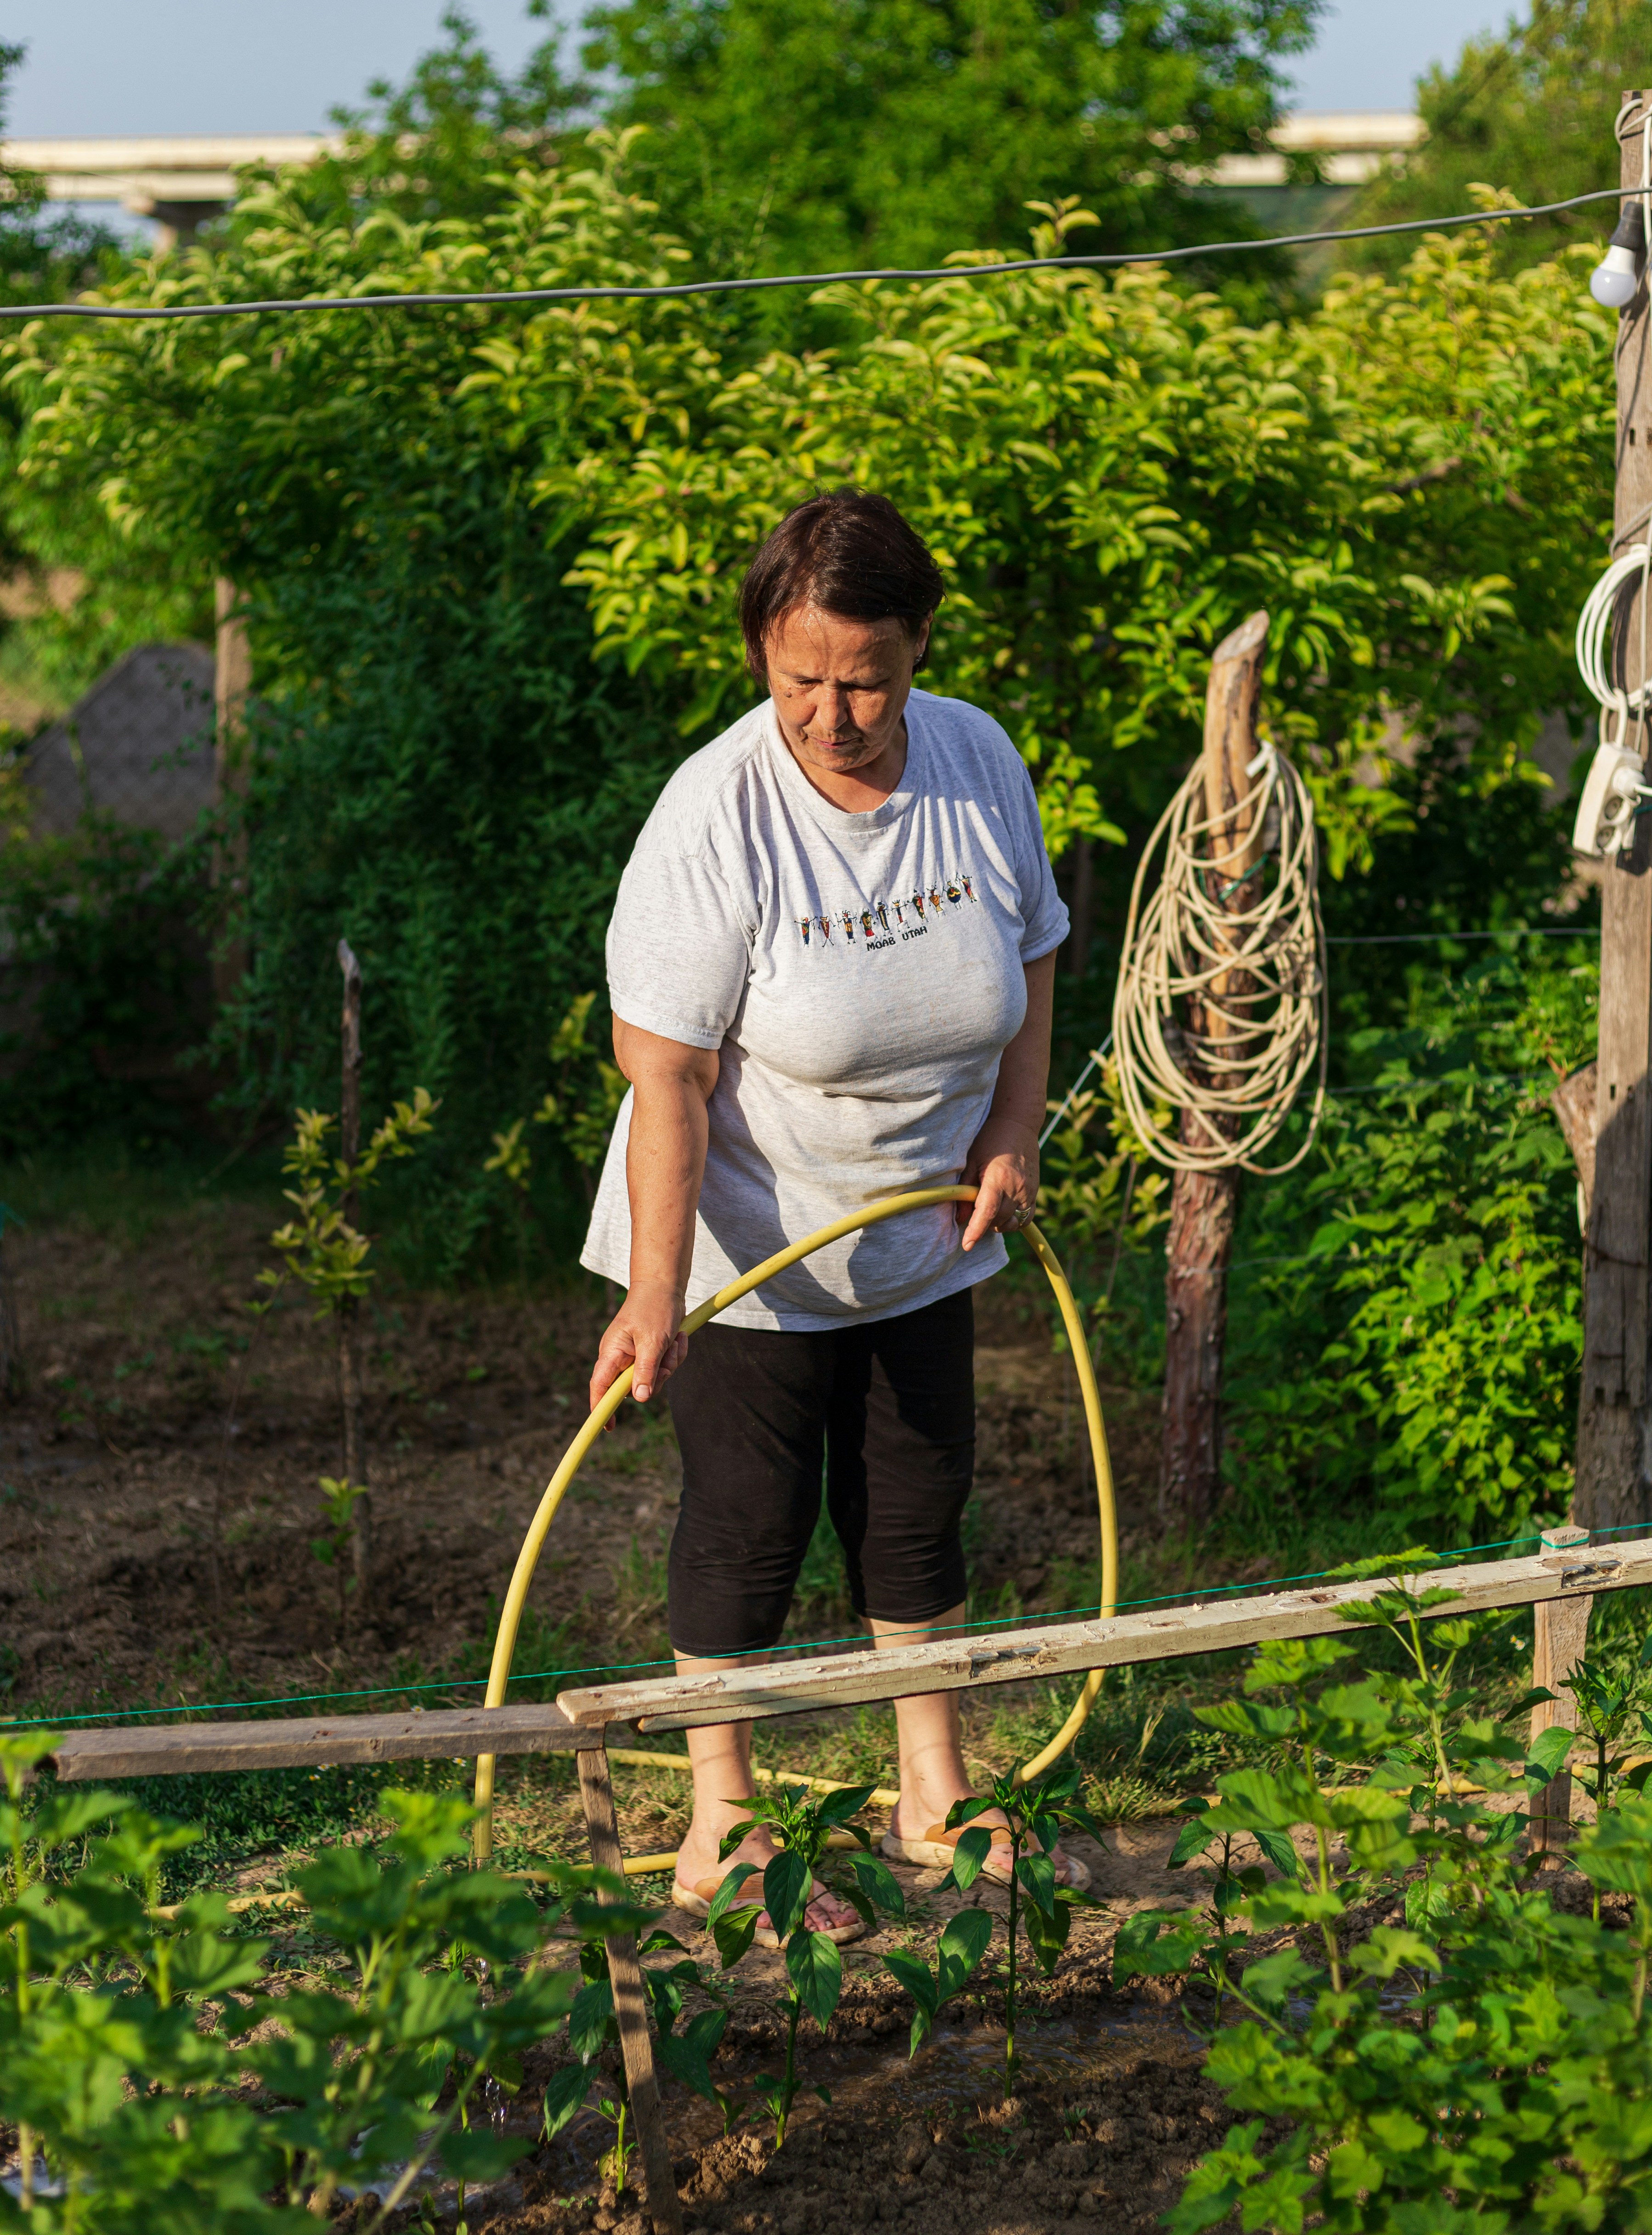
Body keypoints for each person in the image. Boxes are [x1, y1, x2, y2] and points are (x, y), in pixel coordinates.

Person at [582, 488, 1080, 1944]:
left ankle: (935, 1791)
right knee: (748, 1516)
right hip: (746, 1236)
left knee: (919, 1499)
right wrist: (661, 1288)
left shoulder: (978, 760)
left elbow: (1035, 957)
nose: (835, 713)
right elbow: (666, 1075)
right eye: (801, 679)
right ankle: (720, 1821)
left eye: (865, 677)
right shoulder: (716, 811)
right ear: (762, 657)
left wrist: (1011, 1128)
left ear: (919, 646)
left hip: (929, 1217)